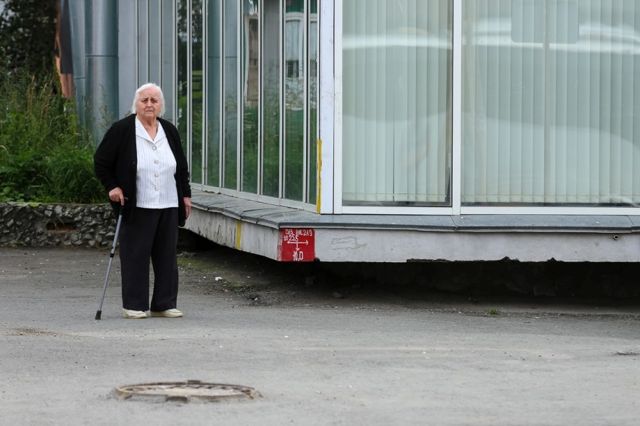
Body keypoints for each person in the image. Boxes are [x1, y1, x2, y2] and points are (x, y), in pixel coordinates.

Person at [94, 83, 192, 319]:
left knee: (167, 256)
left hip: (168, 202)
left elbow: (181, 166)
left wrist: (185, 195)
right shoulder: (122, 129)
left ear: (161, 105)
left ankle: (164, 303)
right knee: (136, 255)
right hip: (137, 204)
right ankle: (134, 305)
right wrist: (112, 186)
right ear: (136, 104)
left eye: (154, 100)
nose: (149, 104)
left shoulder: (169, 130)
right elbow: (101, 161)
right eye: (144, 100)